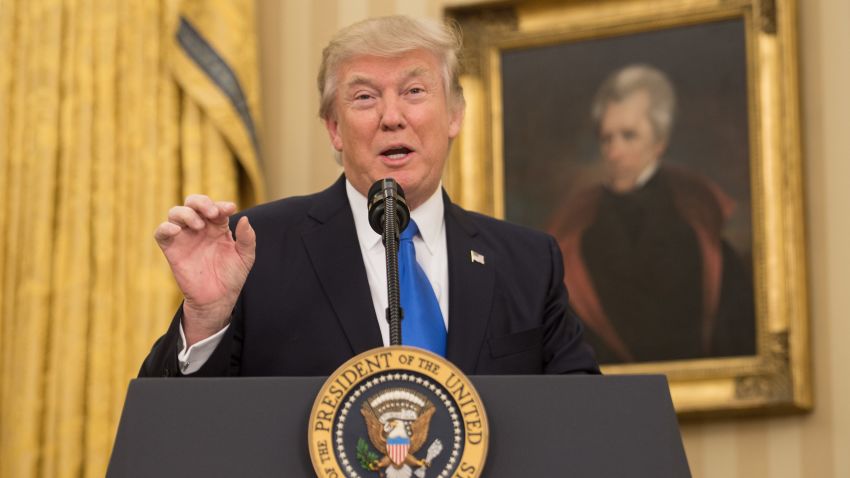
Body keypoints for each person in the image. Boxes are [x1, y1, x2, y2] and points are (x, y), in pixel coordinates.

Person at [139, 15, 599, 378]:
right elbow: (182, 430)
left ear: (455, 114)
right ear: (335, 129)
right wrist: (206, 319)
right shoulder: (255, 248)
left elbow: (583, 421)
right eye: (364, 97)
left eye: (414, 91)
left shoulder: (527, 261)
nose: (392, 116)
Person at [550, 64, 755, 364]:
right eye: (607, 139)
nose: (614, 152)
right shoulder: (578, 224)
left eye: (628, 136)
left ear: (659, 141)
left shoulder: (696, 221)